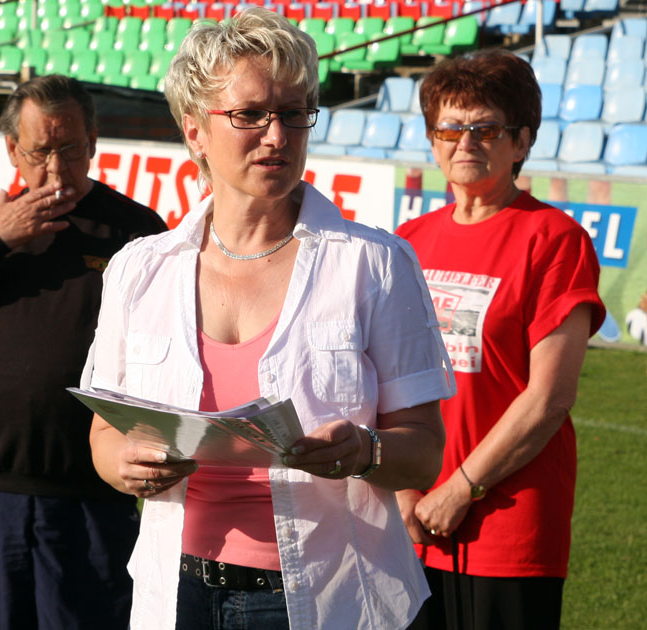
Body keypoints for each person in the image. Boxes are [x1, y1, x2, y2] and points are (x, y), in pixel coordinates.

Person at [84, 8, 454, 630]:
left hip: (333, 596)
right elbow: (104, 433)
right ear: (195, 130)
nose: (277, 135)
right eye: (251, 114)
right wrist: (125, 465)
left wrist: (365, 451)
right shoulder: (138, 269)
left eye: (294, 112)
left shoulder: (374, 263)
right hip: (175, 594)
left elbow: (423, 452)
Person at [0, 74, 167, 630]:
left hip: (92, 484)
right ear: (12, 151)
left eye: (69, 149)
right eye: (40, 152)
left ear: (92, 142)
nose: (55, 169)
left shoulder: (137, 233)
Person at [394, 50, 606, 630]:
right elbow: (388, 379)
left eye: (485, 128)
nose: (465, 142)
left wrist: (460, 489)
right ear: (433, 141)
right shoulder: (408, 240)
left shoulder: (554, 239)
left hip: (506, 524)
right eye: (449, 128)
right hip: (411, 519)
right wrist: (405, 489)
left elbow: (549, 397)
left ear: (521, 142)